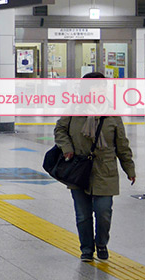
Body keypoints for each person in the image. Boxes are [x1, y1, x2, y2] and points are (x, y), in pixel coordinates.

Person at [53, 71, 136, 262]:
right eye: (94, 86)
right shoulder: (74, 109)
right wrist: (67, 148)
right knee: (82, 215)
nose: (99, 89)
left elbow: (122, 144)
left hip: (105, 169)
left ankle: (101, 243)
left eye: (102, 86)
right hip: (79, 169)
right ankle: (87, 249)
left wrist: (129, 168)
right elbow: (60, 130)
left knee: (104, 212)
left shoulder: (112, 114)